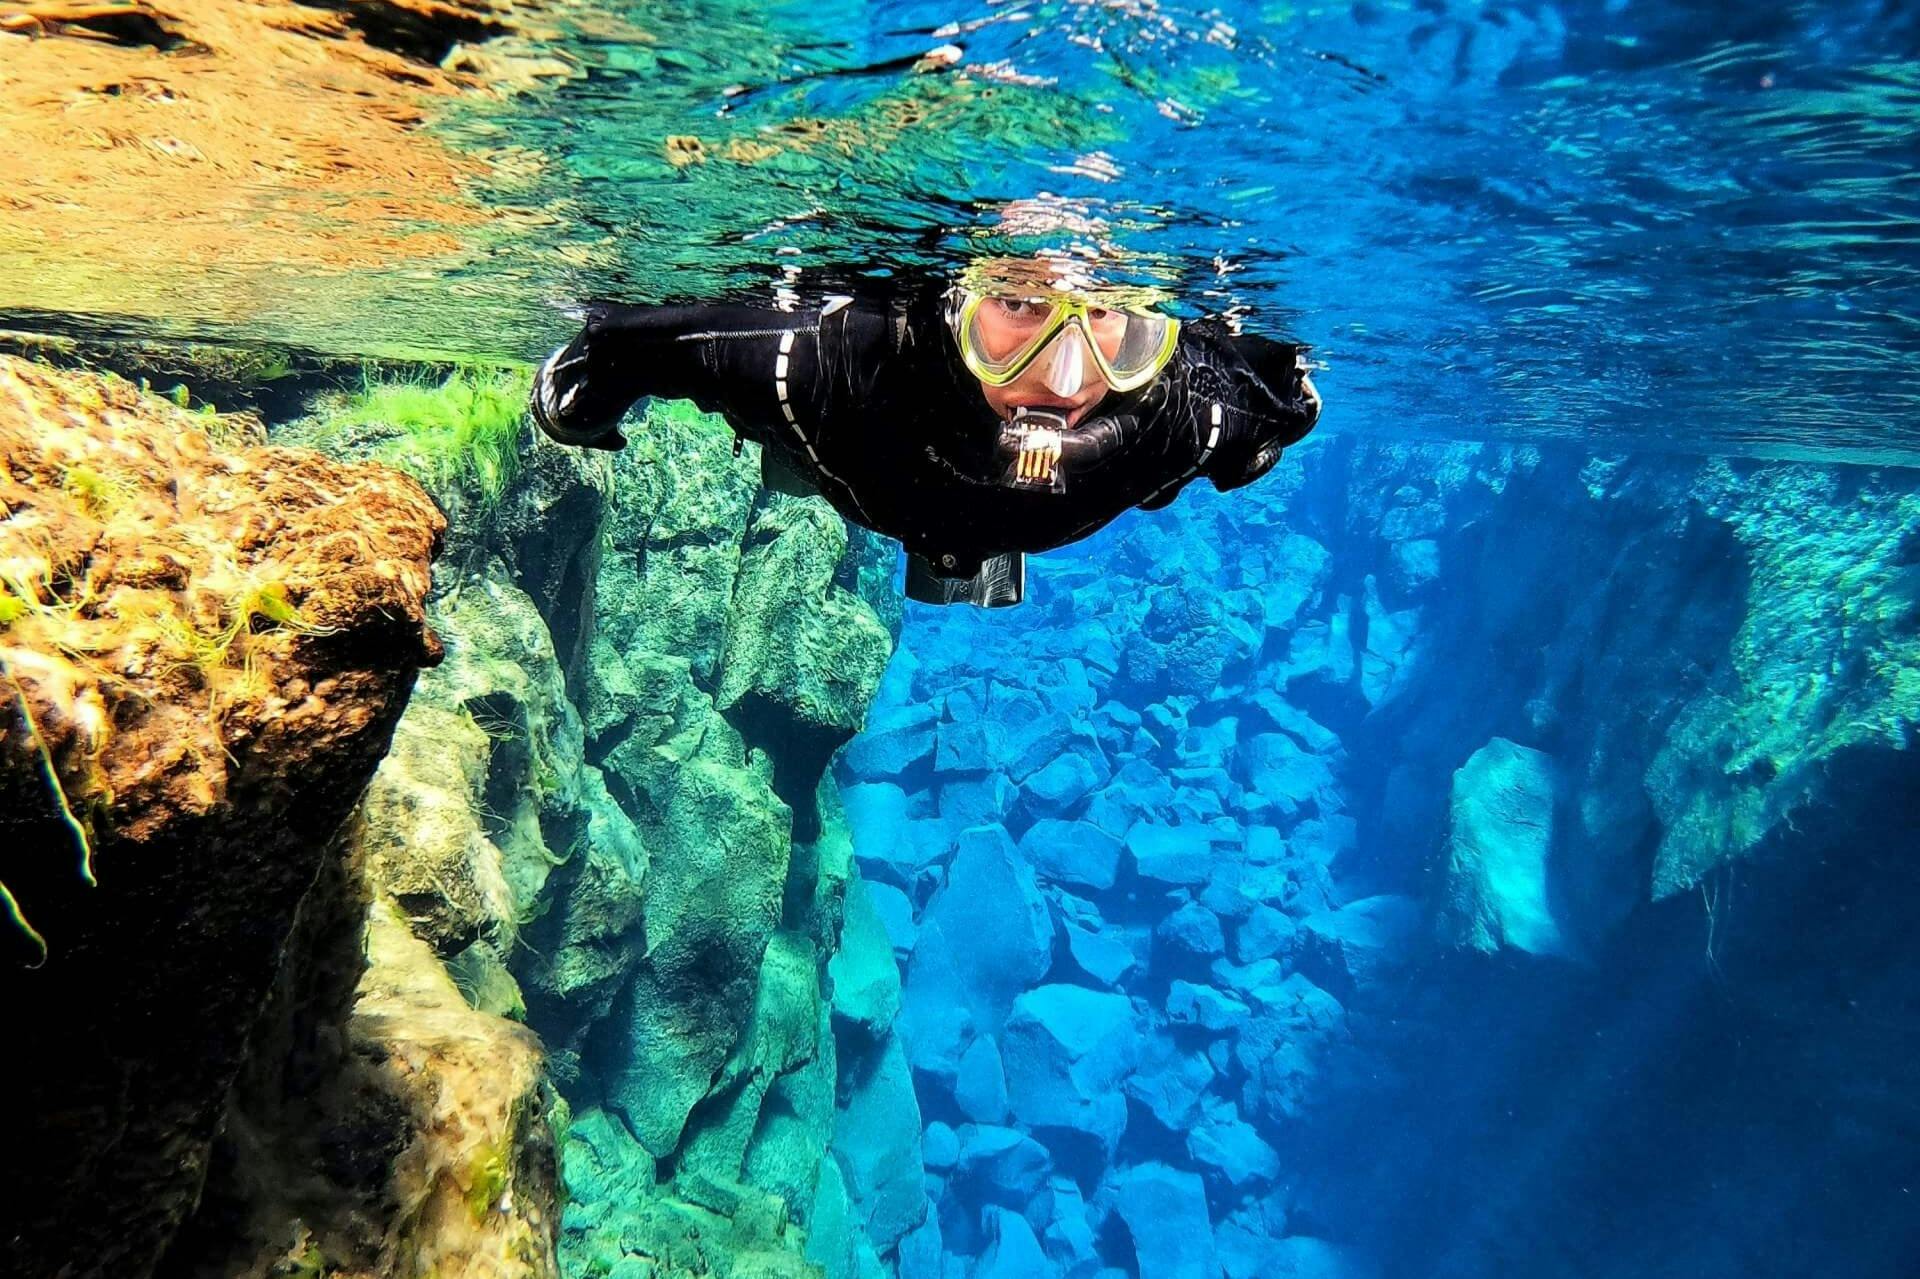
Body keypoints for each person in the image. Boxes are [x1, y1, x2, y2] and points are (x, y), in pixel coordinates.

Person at [530, 256, 1321, 606]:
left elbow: (1283, 415)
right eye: (1017, 305)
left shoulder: (1179, 421)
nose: (1071, 379)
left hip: (878, 486)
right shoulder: (818, 369)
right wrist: (574, 412)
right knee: (791, 456)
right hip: (844, 456)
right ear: (954, 306)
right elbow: (620, 351)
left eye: (1111, 318)